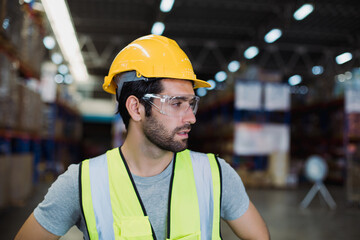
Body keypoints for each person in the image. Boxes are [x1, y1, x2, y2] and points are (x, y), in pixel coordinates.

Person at [15, 35, 270, 240]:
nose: (191, 118)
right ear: (136, 108)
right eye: (176, 103)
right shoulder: (82, 183)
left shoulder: (215, 175)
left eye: (191, 103)